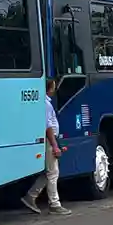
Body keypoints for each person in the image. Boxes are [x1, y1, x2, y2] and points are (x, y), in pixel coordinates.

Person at [22, 75, 71, 216]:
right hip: (50, 140)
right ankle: (54, 204)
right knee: (53, 172)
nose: (54, 90)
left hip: (50, 139)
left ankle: (30, 196)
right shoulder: (45, 104)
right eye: (53, 87)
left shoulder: (43, 103)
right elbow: (48, 126)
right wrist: (55, 145)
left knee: (47, 172)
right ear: (48, 89)